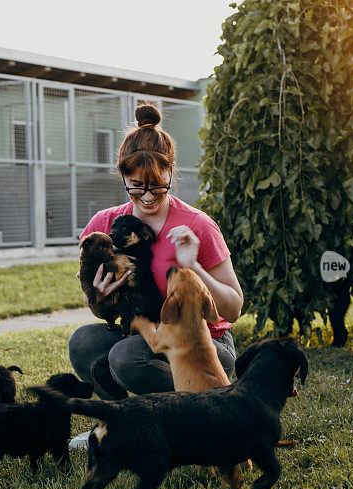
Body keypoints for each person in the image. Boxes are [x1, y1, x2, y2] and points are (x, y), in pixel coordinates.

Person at [68, 103, 244, 402]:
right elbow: (102, 310)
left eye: (157, 186)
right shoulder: (103, 225)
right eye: (136, 186)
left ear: (171, 173)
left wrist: (195, 268)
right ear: (122, 176)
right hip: (140, 333)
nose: (147, 197)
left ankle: (184, 417)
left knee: (127, 355)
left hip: (203, 345)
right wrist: (97, 297)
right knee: (83, 341)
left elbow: (233, 309)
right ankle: (122, 420)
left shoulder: (196, 225)